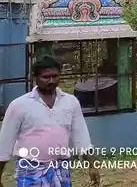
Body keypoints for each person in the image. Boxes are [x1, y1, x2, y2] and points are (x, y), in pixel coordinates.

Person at [0, 56, 100, 187]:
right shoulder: (19, 105)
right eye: (46, 77)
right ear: (35, 78)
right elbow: (5, 143)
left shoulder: (70, 102)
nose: (51, 80)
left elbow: (82, 138)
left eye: (55, 76)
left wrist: (92, 165)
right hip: (30, 170)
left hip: (61, 169)